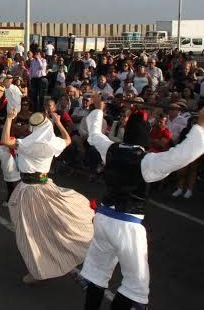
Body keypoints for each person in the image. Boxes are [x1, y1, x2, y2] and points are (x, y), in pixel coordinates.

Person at [81, 97, 204, 310]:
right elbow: (182, 155)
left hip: (102, 220)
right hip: (127, 227)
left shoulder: (110, 149)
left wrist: (99, 109)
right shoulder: (147, 161)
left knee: (97, 273)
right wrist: (201, 125)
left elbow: (94, 134)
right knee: (134, 285)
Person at [0, 109, 94, 284]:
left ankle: (38, 270)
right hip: (44, 186)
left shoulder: (30, 143)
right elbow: (67, 140)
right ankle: (48, 262)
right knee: (47, 227)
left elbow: (5, 140)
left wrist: (9, 118)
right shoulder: (53, 142)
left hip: (29, 191)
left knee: (31, 232)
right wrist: (58, 123)